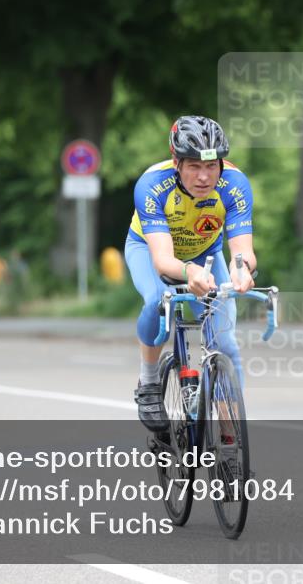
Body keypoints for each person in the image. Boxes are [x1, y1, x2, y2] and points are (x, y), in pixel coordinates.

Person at [125, 116, 256, 432]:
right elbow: (163, 261)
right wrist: (189, 271)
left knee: (224, 343)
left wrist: (242, 272)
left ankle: (229, 443)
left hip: (206, 253)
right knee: (157, 300)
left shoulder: (235, 185)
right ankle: (149, 380)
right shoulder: (152, 185)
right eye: (194, 166)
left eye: (211, 166)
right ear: (176, 162)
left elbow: (242, 252)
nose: (204, 176)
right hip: (149, 249)